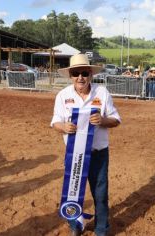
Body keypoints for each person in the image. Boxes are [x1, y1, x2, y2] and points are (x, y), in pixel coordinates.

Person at [51, 54, 121, 236]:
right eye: (76, 73)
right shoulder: (62, 95)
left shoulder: (102, 93)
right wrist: (64, 127)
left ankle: (101, 230)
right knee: (73, 191)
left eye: (83, 72)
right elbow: (55, 122)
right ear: (70, 75)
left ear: (90, 74)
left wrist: (103, 120)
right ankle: (75, 225)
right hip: (74, 154)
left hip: (98, 154)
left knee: (100, 194)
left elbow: (116, 120)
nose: (80, 77)